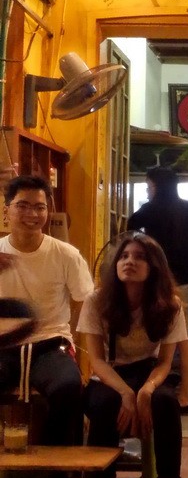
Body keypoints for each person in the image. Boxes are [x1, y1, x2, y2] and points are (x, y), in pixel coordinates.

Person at [77, 231, 188, 478]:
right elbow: (97, 360)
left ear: (153, 267)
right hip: (109, 374)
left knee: (166, 403)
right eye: (124, 256)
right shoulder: (97, 301)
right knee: (104, 403)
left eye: (139, 257)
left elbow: (165, 362)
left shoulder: (169, 305)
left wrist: (146, 390)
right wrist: (125, 392)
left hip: (148, 372)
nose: (129, 262)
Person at [0, 175, 94, 445]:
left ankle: (57, 463)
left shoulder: (66, 254)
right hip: (3, 346)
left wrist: (81, 350)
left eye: (39, 207)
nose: (32, 214)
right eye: (22, 206)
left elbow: (87, 302)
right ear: (6, 210)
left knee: (68, 387)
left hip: (51, 346)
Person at [127, 165, 188, 414]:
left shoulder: (150, 209)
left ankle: (151, 391)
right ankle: (185, 397)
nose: (148, 192)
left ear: (156, 186)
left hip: (157, 283)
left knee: (155, 338)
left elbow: (129, 228)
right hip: (183, 283)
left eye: (149, 187)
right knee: (183, 339)